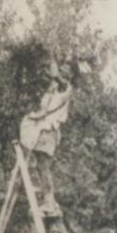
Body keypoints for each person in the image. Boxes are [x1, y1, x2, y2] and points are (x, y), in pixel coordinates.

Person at [18, 60, 74, 212]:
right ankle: (48, 200)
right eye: (61, 70)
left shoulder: (66, 88)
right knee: (39, 166)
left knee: (44, 166)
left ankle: (49, 202)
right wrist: (33, 116)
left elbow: (59, 81)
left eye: (65, 71)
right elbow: (44, 109)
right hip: (43, 129)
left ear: (69, 75)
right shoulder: (54, 89)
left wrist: (55, 72)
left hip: (49, 130)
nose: (62, 73)